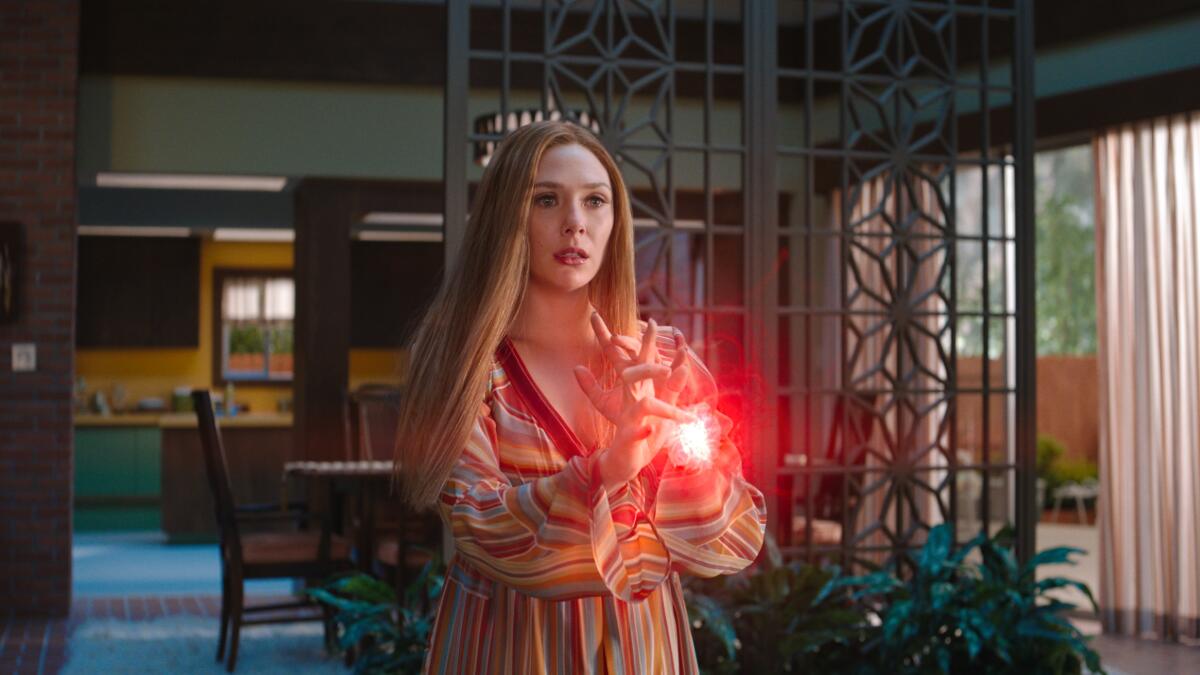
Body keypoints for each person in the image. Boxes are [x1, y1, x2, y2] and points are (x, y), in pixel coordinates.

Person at [395, 119, 766, 674]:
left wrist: (669, 454)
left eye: (595, 201)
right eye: (546, 200)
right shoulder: (463, 364)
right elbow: (482, 527)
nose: (575, 224)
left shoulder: (662, 360)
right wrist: (609, 469)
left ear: (616, 222)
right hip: (508, 649)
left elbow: (729, 537)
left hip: (642, 649)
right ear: (506, 220)